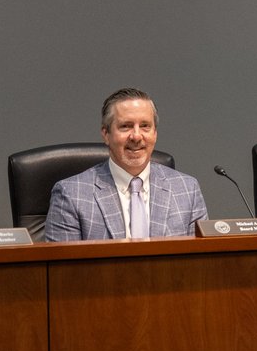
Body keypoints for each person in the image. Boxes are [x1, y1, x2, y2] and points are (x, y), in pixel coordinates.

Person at [45, 88, 207, 241]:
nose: (136, 136)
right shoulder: (71, 194)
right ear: (106, 134)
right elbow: (64, 270)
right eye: (126, 126)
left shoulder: (187, 190)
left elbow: (200, 263)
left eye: (145, 126)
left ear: (155, 134)